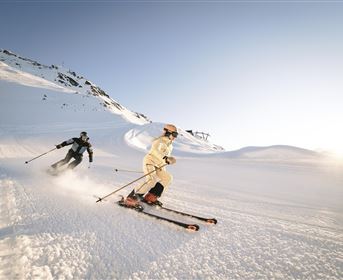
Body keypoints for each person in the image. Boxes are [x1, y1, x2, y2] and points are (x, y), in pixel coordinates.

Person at [124, 124, 178, 207]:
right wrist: (166, 158)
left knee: (168, 178)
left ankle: (151, 197)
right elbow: (156, 152)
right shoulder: (159, 141)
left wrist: (168, 161)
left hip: (159, 165)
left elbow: (163, 158)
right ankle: (132, 197)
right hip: (150, 162)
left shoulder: (170, 145)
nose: (175, 137)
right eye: (174, 134)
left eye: (176, 135)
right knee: (151, 180)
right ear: (168, 132)